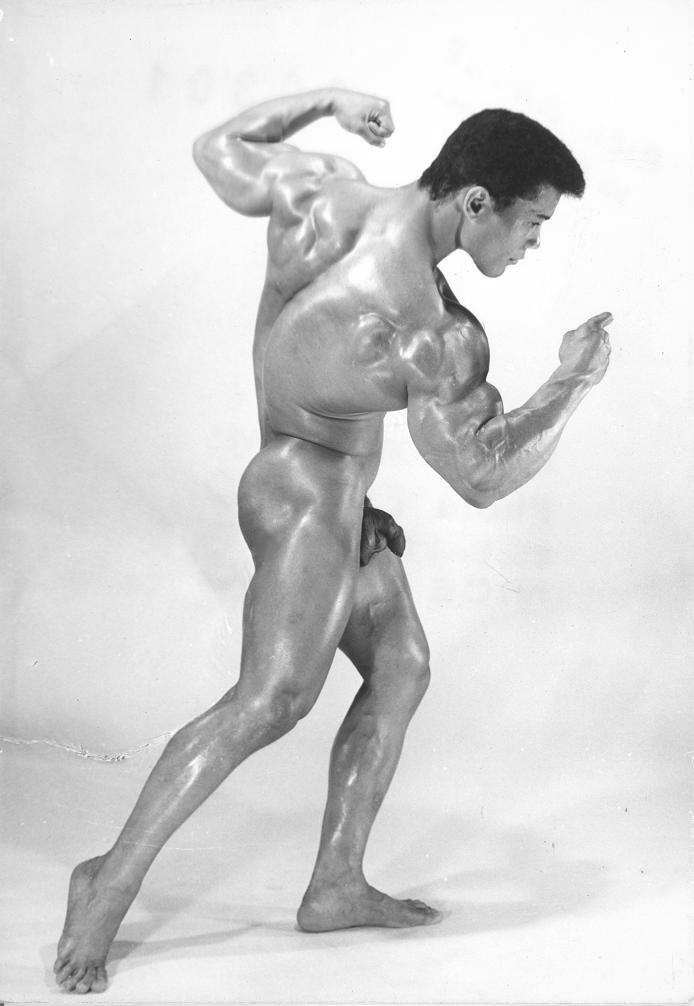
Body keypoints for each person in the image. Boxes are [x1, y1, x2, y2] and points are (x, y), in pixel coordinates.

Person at [53, 87, 611, 994]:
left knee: (401, 664)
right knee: (269, 701)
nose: (532, 246)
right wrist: (572, 381)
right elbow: (481, 475)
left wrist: (330, 103)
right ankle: (104, 884)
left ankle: (335, 885)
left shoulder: (326, 191)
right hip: (308, 495)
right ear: (477, 201)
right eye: (532, 225)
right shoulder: (436, 334)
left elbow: (218, 147)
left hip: (316, 481)